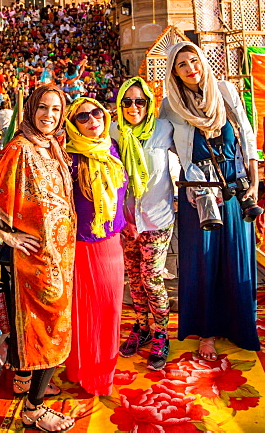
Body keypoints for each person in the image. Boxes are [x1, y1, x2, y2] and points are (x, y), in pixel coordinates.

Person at [0, 85, 75, 431]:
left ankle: (25, 380)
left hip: (58, 258)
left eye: (56, 110)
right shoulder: (19, 148)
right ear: (30, 109)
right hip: (33, 263)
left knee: (40, 326)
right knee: (49, 328)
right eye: (43, 108)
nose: (49, 116)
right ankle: (35, 408)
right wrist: (8, 235)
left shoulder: (53, 147)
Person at [161, 41, 261, 357]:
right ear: (174, 74)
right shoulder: (171, 106)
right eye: (182, 65)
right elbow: (165, 147)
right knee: (201, 261)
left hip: (234, 185)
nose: (191, 69)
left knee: (236, 256)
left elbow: (246, 135)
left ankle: (239, 326)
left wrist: (255, 183)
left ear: (202, 61)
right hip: (198, 191)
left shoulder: (225, 92)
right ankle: (206, 332)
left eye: (194, 61)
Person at [63, 97, 127, 396]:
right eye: (83, 118)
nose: (93, 121)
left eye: (97, 113)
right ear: (72, 125)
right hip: (82, 245)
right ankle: (83, 371)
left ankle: (103, 370)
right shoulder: (67, 158)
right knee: (85, 311)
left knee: (111, 308)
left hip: (111, 241)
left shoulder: (110, 150)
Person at [111, 77, 176, 370]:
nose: (134, 107)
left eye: (140, 102)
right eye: (127, 102)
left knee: (152, 278)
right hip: (126, 220)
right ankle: (142, 326)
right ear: (120, 104)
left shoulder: (164, 129)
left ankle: (162, 333)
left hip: (156, 217)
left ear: (149, 104)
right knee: (134, 279)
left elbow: (190, 149)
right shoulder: (113, 131)